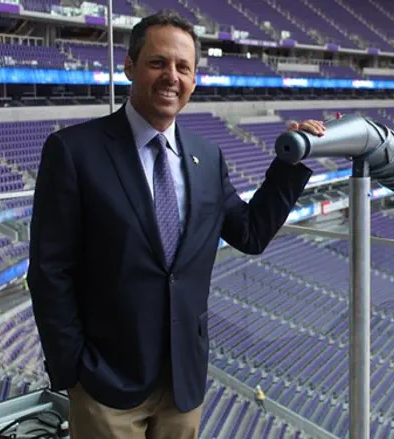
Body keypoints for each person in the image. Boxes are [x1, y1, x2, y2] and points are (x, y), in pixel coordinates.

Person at [26, 10, 325, 439]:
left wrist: (287, 168)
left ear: (194, 81)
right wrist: (72, 368)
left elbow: (250, 233)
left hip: (182, 383)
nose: (171, 76)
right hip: (105, 384)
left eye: (183, 67)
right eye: (158, 62)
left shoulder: (206, 156)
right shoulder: (74, 151)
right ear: (129, 67)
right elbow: (49, 271)